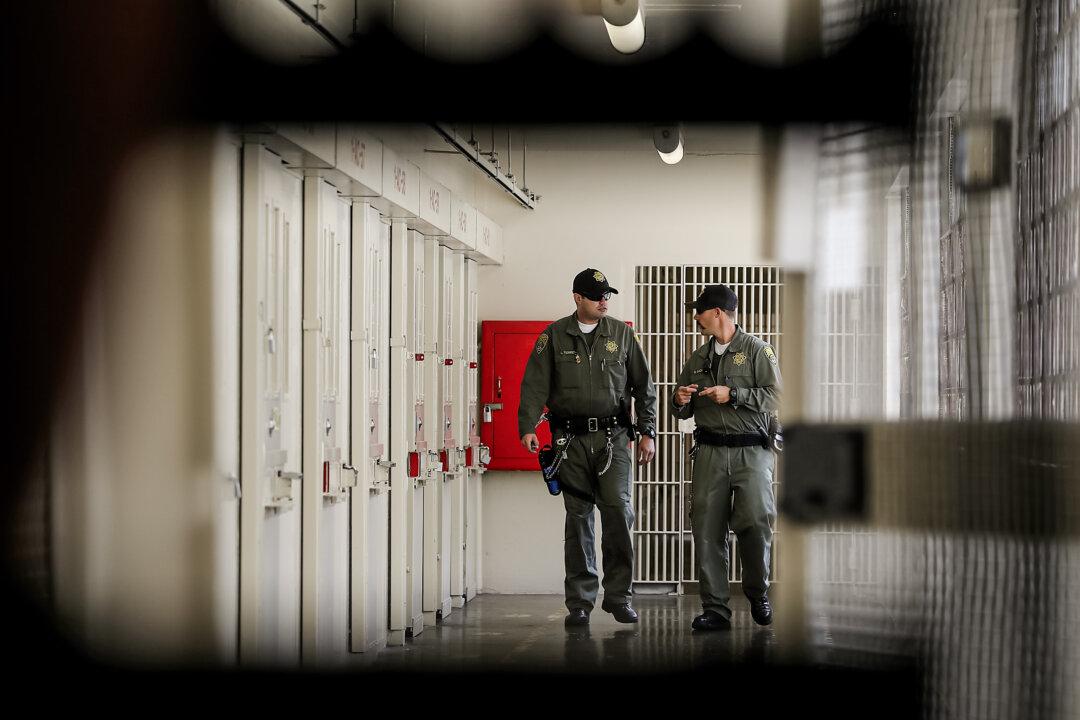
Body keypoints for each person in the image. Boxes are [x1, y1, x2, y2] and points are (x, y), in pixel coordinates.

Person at [519, 268, 657, 627]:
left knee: (619, 513)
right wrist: (527, 427)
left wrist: (648, 432)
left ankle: (619, 597)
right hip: (570, 441)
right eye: (596, 296)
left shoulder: (622, 335)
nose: (604, 302)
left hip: (614, 440)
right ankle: (580, 601)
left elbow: (644, 387)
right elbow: (534, 385)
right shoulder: (553, 336)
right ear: (577, 298)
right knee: (578, 518)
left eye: (607, 296)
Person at [671, 284, 781, 631]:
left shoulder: (758, 350)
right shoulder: (697, 358)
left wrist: (734, 394)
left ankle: (758, 593)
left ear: (717, 313)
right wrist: (679, 399)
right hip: (710, 453)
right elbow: (681, 408)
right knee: (707, 529)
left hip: (752, 453)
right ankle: (716, 608)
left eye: (700, 311)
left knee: (756, 524)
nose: (696, 318)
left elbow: (776, 396)